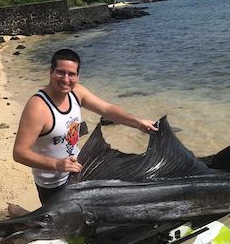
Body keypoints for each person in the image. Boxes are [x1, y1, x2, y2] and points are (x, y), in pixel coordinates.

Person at [13, 48, 158, 206]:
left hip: (80, 172)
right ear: (50, 71)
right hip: (52, 184)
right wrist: (57, 164)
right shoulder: (38, 107)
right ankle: (24, 216)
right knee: (67, 230)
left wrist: (138, 122)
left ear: (77, 76)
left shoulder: (77, 92)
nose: (66, 79)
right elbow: (19, 153)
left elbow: (107, 109)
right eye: (60, 72)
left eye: (72, 74)